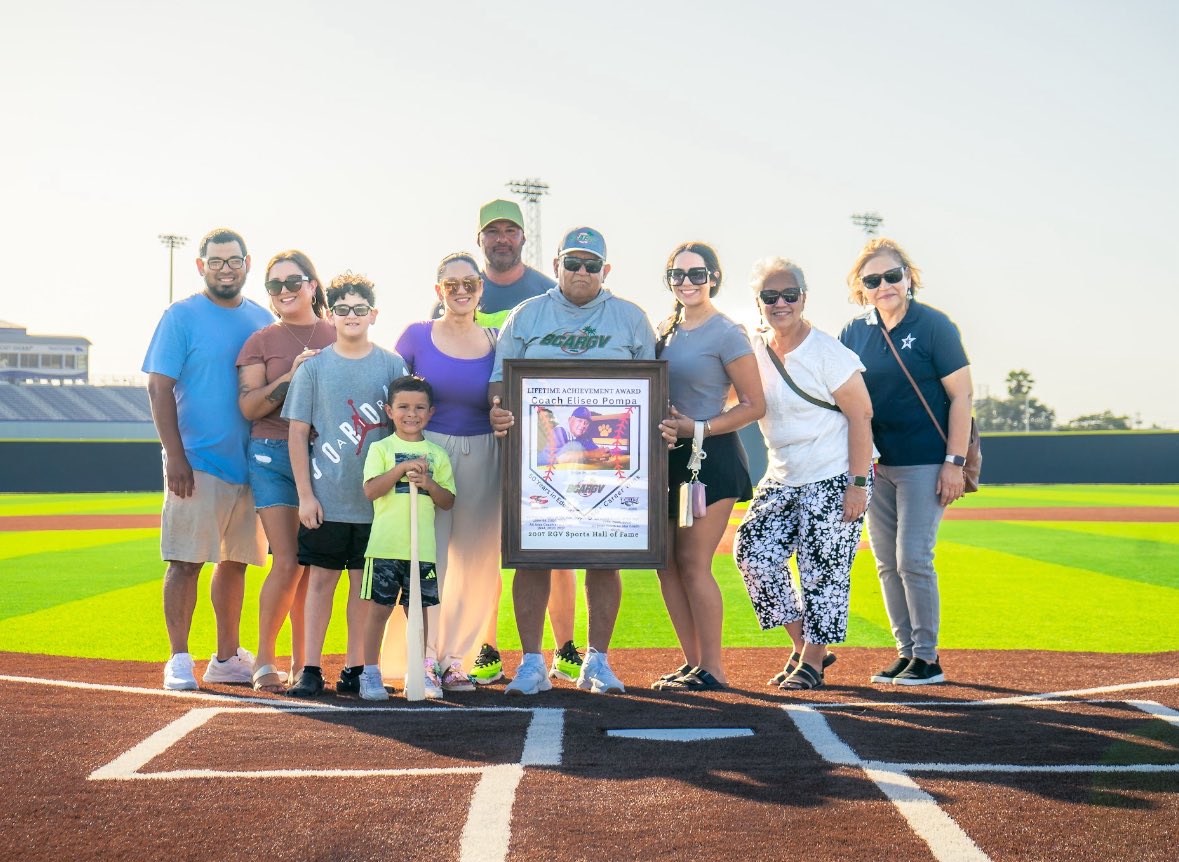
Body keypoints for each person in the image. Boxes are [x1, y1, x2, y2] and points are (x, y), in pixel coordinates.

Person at [490, 226, 657, 695]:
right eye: (572, 263)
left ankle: (597, 662)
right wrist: (501, 411)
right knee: (533, 559)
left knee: (605, 559)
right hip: (541, 461)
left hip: (611, 462)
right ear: (558, 264)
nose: (581, 272)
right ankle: (531, 662)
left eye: (591, 265)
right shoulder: (527, 315)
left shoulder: (631, 319)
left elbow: (652, 392)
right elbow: (498, 385)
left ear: (606, 270)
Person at [435, 201, 583, 689]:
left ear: (522, 238)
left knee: (553, 547)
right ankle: (486, 648)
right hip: (476, 438)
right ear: (480, 239)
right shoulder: (457, 293)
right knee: (482, 553)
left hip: (540, 439)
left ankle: (565, 649)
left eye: (510, 230)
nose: (501, 239)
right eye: (492, 231)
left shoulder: (546, 289)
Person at [734, 257, 875, 692]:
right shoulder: (753, 348)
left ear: (803, 299)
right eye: (770, 296)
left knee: (824, 569)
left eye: (789, 295)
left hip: (834, 472)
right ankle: (803, 645)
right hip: (783, 474)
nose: (780, 303)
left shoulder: (828, 352)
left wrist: (856, 484)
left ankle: (812, 662)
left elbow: (862, 414)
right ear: (758, 302)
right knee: (753, 552)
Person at [143, 227, 273, 690]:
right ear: (201, 266)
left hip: (252, 464)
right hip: (196, 462)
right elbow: (158, 387)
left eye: (233, 261)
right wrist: (174, 456)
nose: (224, 269)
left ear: (247, 263)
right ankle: (179, 658)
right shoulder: (181, 316)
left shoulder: (261, 318)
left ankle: (225, 657)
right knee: (185, 561)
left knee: (235, 562)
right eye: (215, 261)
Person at [839, 238, 973, 686]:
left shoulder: (934, 325)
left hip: (925, 463)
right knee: (885, 562)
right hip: (877, 466)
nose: (884, 286)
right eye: (872, 280)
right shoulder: (853, 332)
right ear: (861, 288)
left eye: (891, 276)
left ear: (908, 276)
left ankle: (928, 658)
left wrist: (953, 461)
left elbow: (962, 396)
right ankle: (906, 653)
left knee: (913, 557)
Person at [281, 273, 407, 697]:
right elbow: (297, 433)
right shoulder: (315, 368)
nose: (351, 316)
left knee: (363, 586)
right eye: (342, 309)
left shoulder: (391, 365)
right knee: (320, 581)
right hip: (327, 498)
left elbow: (402, 426)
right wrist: (304, 495)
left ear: (373, 314)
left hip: (375, 500)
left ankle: (356, 666)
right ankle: (311, 667)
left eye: (359, 309)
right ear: (329, 314)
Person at [652, 242, 764, 691]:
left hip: (709, 462)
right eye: (677, 275)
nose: (687, 283)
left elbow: (754, 405)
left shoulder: (728, 333)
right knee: (667, 565)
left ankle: (714, 670)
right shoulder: (665, 330)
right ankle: (692, 663)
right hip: (666, 462)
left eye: (697, 274)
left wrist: (699, 427)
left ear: (714, 278)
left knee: (694, 563)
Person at [389, 253, 501, 692]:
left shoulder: (495, 339)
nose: (460, 290)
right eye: (450, 283)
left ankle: (456, 659)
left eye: (469, 282)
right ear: (439, 290)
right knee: (426, 560)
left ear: (480, 288)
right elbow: (392, 392)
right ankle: (423, 658)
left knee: (476, 565)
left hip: (484, 456)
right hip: (427, 455)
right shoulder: (416, 335)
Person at [236, 250, 335, 692]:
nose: (284, 291)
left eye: (293, 281)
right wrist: (291, 377)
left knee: (313, 565)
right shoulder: (261, 340)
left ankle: (304, 663)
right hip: (271, 451)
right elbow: (249, 406)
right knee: (288, 559)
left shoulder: (340, 332)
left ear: (313, 284)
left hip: (327, 456)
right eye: (274, 285)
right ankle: (263, 659)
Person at [360, 375, 456, 700]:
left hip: (422, 550)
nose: (411, 414)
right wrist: (402, 470)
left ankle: (420, 670)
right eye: (403, 407)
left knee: (419, 610)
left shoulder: (437, 454)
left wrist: (428, 483)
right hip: (386, 546)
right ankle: (370, 674)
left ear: (430, 413)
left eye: (419, 408)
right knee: (378, 610)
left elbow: (448, 501)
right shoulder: (381, 448)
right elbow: (371, 490)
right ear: (389, 410)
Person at [539, 405, 610, 466]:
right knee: (575, 446)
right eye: (579, 421)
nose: (583, 425)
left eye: (586, 423)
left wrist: (603, 454)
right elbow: (560, 458)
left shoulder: (584, 435)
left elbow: (596, 451)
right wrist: (593, 454)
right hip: (542, 466)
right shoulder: (559, 431)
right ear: (570, 420)